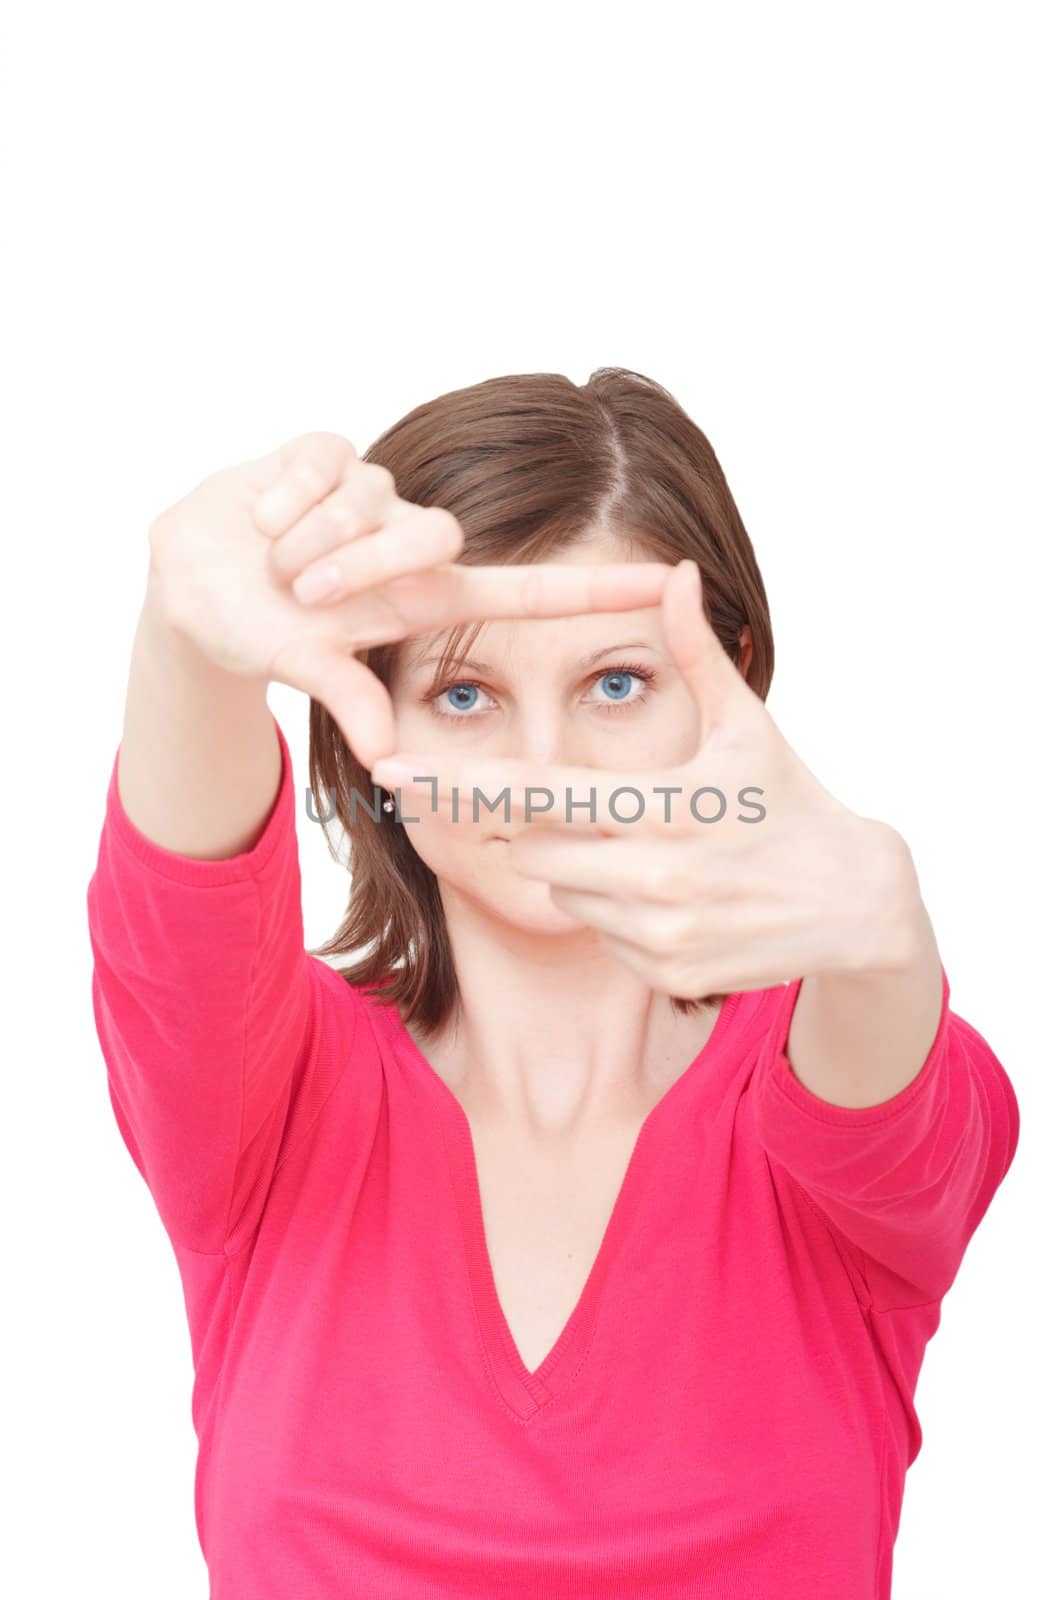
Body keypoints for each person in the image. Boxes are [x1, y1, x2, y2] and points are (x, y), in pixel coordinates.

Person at [85, 368, 1020, 1600]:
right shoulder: (267, 1106)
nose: (544, 768)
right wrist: (185, 642)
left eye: (615, 685)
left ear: (726, 678)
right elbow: (180, 915)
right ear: (370, 725)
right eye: (464, 695)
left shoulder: (829, 1085)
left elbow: (888, 1085)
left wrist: (888, 937)